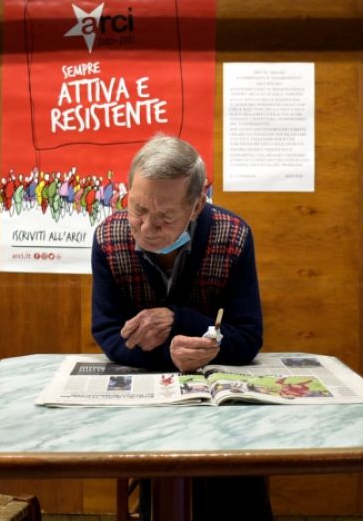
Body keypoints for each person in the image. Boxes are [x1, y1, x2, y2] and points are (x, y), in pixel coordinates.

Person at [91, 135, 273, 521]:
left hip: (222, 404)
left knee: (239, 490)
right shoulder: (108, 239)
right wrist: (165, 353)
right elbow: (106, 330)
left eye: (166, 217)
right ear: (127, 192)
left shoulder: (233, 236)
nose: (147, 227)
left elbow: (248, 335)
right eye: (137, 208)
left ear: (196, 206)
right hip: (146, 398)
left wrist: (182, 322)